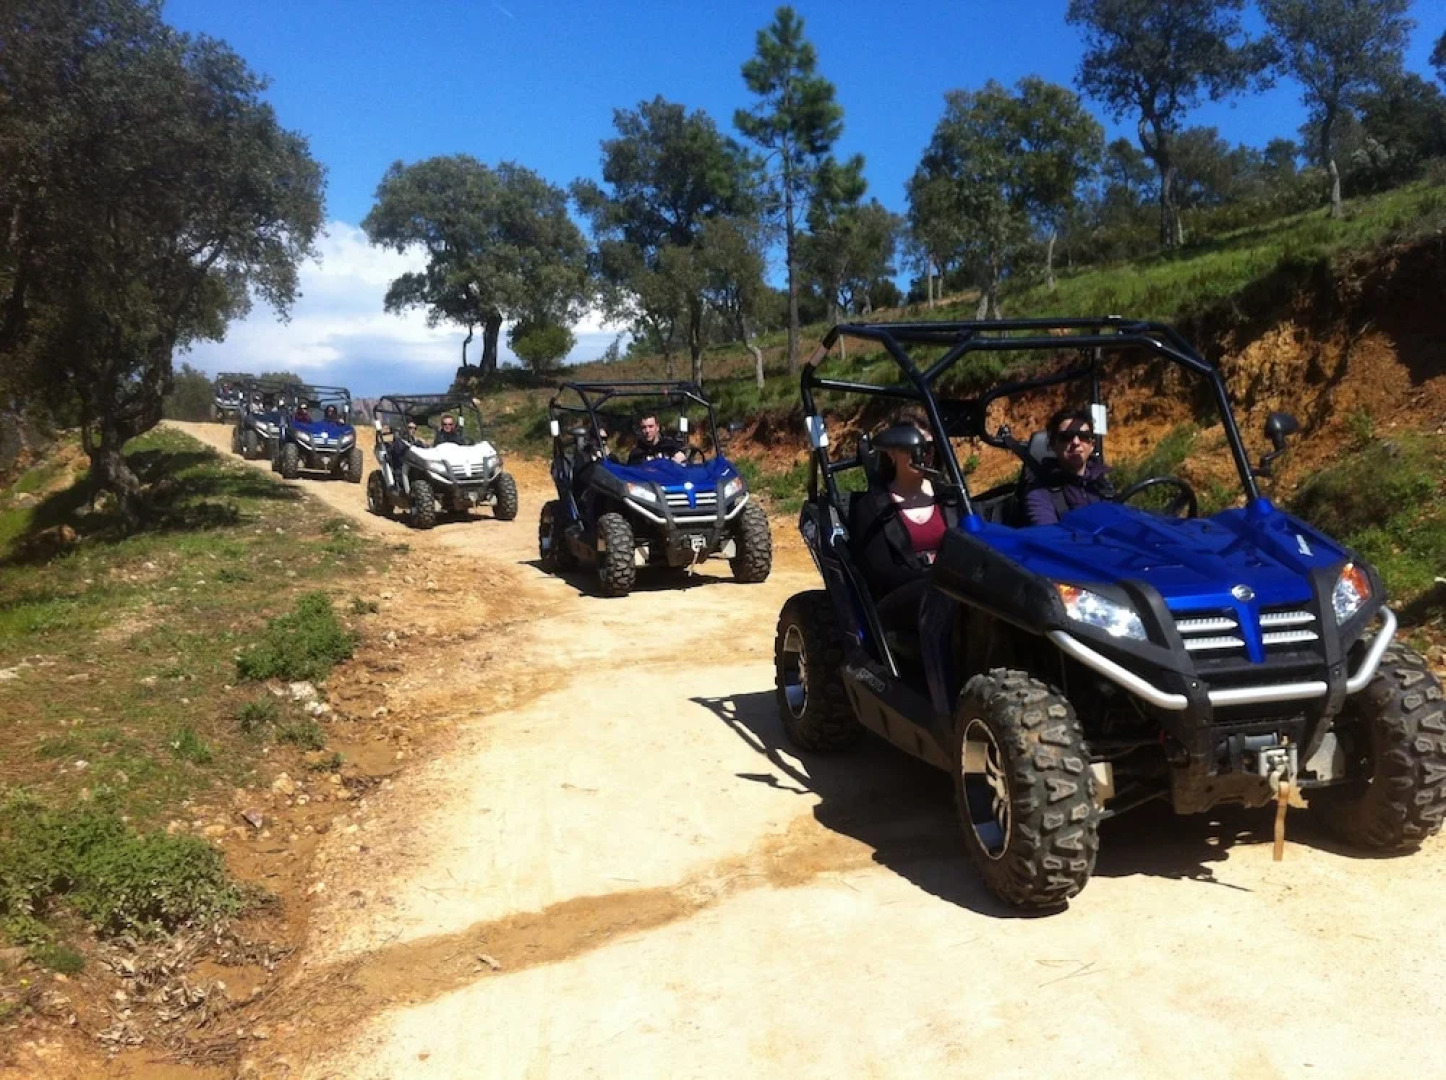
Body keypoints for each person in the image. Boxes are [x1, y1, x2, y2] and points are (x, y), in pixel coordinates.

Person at [1022, 408, 1114, 526]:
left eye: (1083, 436)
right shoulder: (1040, 493)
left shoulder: (1102, 485)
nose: (1076, 442)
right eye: (1066, 437)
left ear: (1092, 445)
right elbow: (1052, 538)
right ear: (1053, 445)